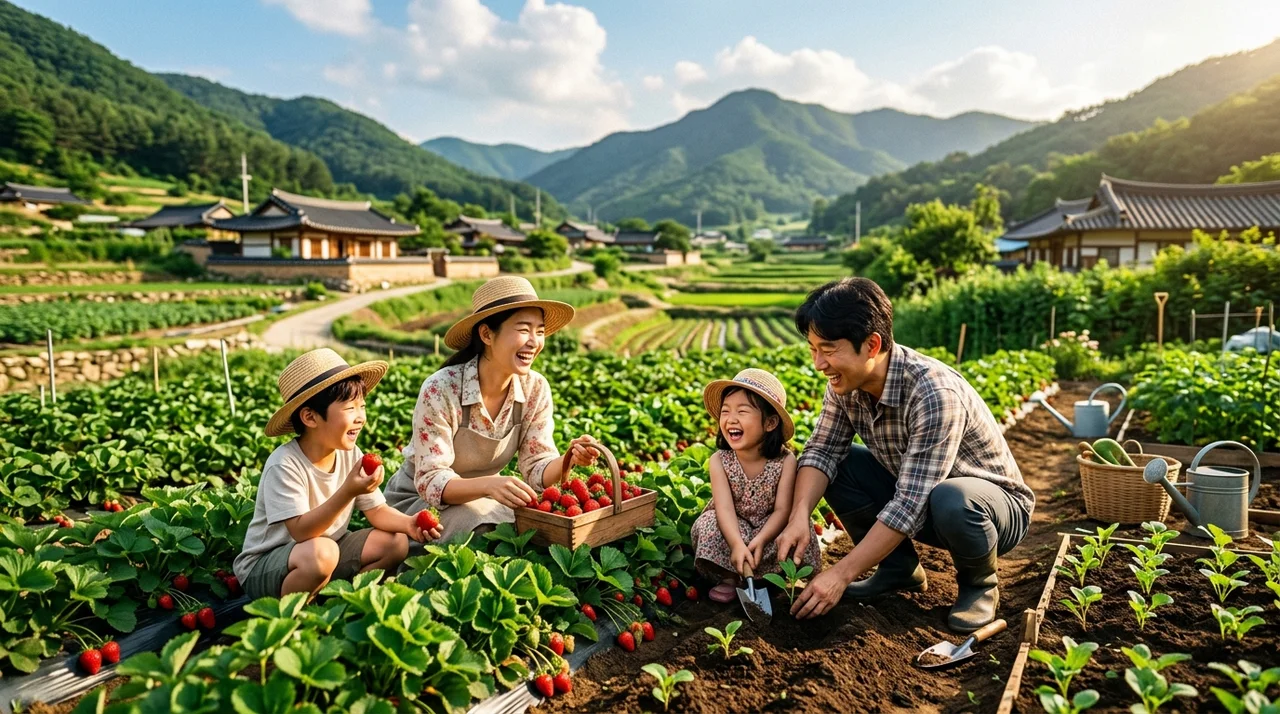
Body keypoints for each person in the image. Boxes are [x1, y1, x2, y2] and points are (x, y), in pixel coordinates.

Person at [776, 278, 1034, 632]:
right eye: (812, 349)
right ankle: (899, 570)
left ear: (872, 344)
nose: (819, 363)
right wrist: (799, 516)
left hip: (989, 512)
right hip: (924, 501)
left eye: (829, 349)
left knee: (952, 497)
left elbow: (912, 502)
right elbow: (821, 450)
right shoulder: (844, 384)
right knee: (841, 463)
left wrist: (841, 573)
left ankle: (980, 585)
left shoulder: (933, 393)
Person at [384, 276, 599, 541]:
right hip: (417, 503)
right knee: (486, 527)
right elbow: (431, 481)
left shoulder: (535, 389)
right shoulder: (442, 388)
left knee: (535, 528)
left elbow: (536, 467)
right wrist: (489, 484)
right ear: (486, 334)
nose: (534, 341)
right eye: (523, 329)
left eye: (540, 331)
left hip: (483, 498)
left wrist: (570, 458)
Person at [234, 348, 439, 600]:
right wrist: (347, 491)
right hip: (267, 566)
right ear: (310, 417)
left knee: (395, 543)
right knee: (322, 553)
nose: (360, 417)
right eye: (350, 408)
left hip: (324, 551)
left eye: (362, 406)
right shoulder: (284, 464)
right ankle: (289, 616)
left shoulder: (351, 455)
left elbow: (376, 510)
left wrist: (408, 523)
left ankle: (343, 602)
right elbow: (301, 532)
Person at [690, 369, 820, 603]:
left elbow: (782, 510)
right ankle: (730, 578)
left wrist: (760, 540)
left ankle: (779, 578)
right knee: (707, 523)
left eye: (742, 411)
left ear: (770, 423)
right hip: (733, 527)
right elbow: (725, 510)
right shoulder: (719, 461)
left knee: (799, 527)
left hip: (770, 528)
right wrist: (737, 544)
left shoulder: (785, 461)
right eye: (725, 411)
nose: (730, 419)